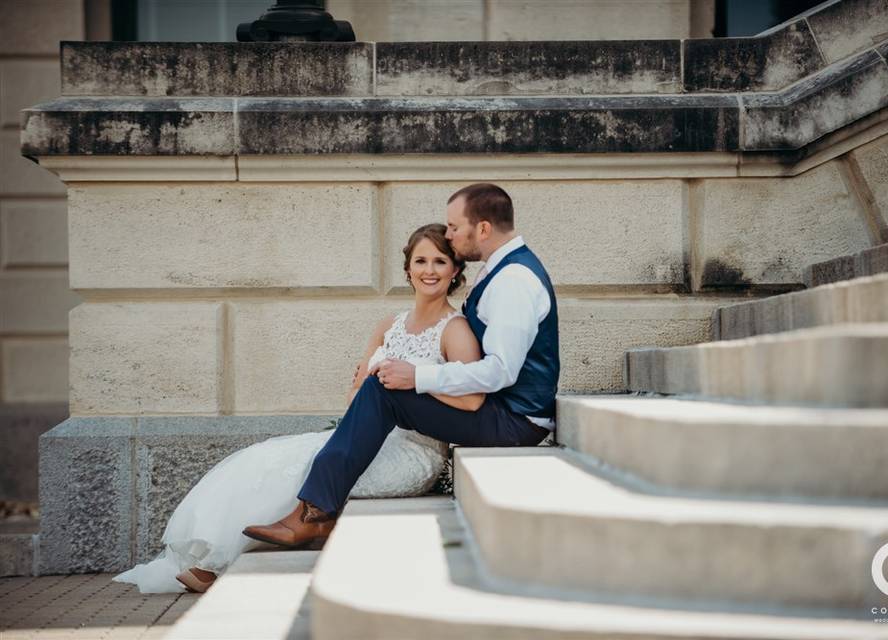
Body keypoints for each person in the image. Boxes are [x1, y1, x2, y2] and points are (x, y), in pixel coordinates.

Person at [114, 223, 481, 593]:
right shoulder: (389, 326)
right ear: (407, 269)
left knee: (298, 470)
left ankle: (219, 566)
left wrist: (412, 380)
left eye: (439, 261)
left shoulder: (455, 330)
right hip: (362, 436)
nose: (429, 270)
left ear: (454, 271)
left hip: (412, 452)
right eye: (421, 260)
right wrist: (368, 384)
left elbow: (470, 400)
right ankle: (210, 562)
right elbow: (357, 399)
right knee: (265, 458)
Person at [243, 183, 559, 551]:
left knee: (385, 389)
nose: (451, 235)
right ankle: (315, 510)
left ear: (483, 229)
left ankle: (315, 513)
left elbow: (500, 372)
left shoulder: (513, 280)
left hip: (515, 422)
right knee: (380, 387)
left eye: (455, 227)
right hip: (503, 411)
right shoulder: (499, 271)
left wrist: (417, 375)